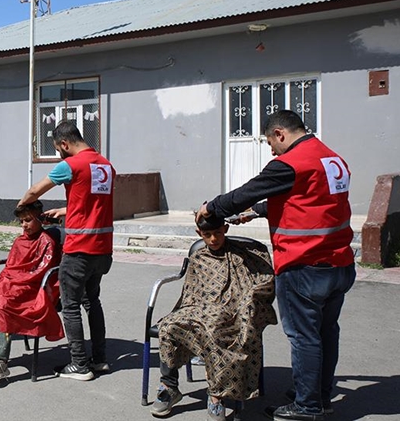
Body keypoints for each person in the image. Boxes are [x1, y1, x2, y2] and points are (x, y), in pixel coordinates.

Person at [198, 110, 355, 421]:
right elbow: (309, 200)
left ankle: (307, 407)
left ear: (281, 133)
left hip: (304, 266)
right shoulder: (331, 159)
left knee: (304, 336)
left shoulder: (289, 163)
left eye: (271, 142)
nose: (271, 150)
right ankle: (318, 396)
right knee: (326, 333)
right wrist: (257, 212)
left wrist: (211, 207)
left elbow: (244, 192)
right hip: (339, 263)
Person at [150, 214, 276, 421]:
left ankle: (216, 395)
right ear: (199, 234)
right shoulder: (199, 257)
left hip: (232, 310)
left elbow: (262, 282)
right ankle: (169, 386)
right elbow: (190, 293)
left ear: (225, 229)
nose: (213, 239)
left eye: (218, 233)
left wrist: (244, 304)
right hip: (198, 309)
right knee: (169, 326)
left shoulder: (241, 256)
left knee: (215, 330)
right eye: (207, 235)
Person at [18, 120, 114, 381]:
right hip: (103, 251)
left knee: (70, 305)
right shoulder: (105, 165)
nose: (59, 153)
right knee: (92, 302)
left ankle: (79, 364)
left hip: (79, 249)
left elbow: (35, 190)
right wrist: (65, 211)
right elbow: (92, 203)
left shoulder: (69, 165)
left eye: (58, 149)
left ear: (64, 144)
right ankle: (100, 358)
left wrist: (21, 205)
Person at [0, 201, 63, 379]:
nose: (24, 225)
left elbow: (40, 272)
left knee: (5, 303)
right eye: (21, 221)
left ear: (40, 219)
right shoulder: (19, 241)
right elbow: (10, 267)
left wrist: (13, 282)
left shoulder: (46, 242)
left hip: (32, 289)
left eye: (28, 220)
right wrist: (5, 282)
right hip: (11, 285)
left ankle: (1, 361)